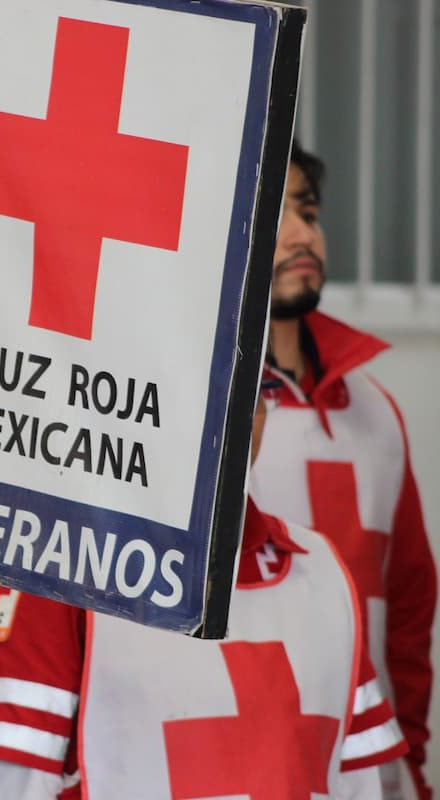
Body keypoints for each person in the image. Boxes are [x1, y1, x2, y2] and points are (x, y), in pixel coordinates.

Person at [0, 392, 408, 798]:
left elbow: (359, 783)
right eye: (201, 387)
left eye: (252, 396)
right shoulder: (59, 570)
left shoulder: (322, 569)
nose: (230, 416)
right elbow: (16, 787)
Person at [250, 141, 435, 799]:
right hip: (244, 764)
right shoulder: (195, 421)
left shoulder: (374, 411)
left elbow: (410, 606)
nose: (304, 234)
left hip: (372, 771)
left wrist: (407, 761)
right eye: (275, 214)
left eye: (309, 210)